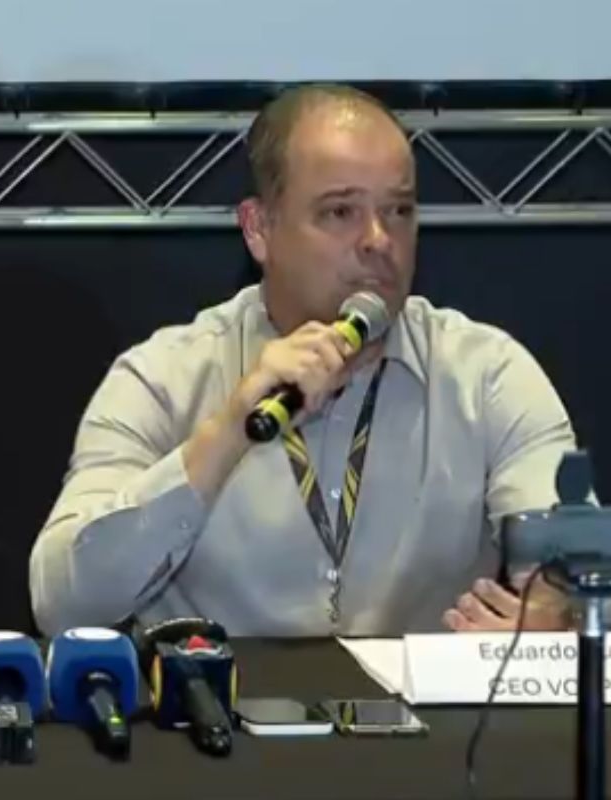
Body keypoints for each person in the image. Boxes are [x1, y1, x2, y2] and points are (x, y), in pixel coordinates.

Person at [30, 84, 576, 638]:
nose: (379, 240)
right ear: (259, 229)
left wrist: (558, 612)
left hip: (429, 698)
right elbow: (62, 604)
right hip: (222, 694)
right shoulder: (162, 378)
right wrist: (227, 432)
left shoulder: (487, 375)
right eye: (340, 212)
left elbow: (573, 564)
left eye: (399, 210)